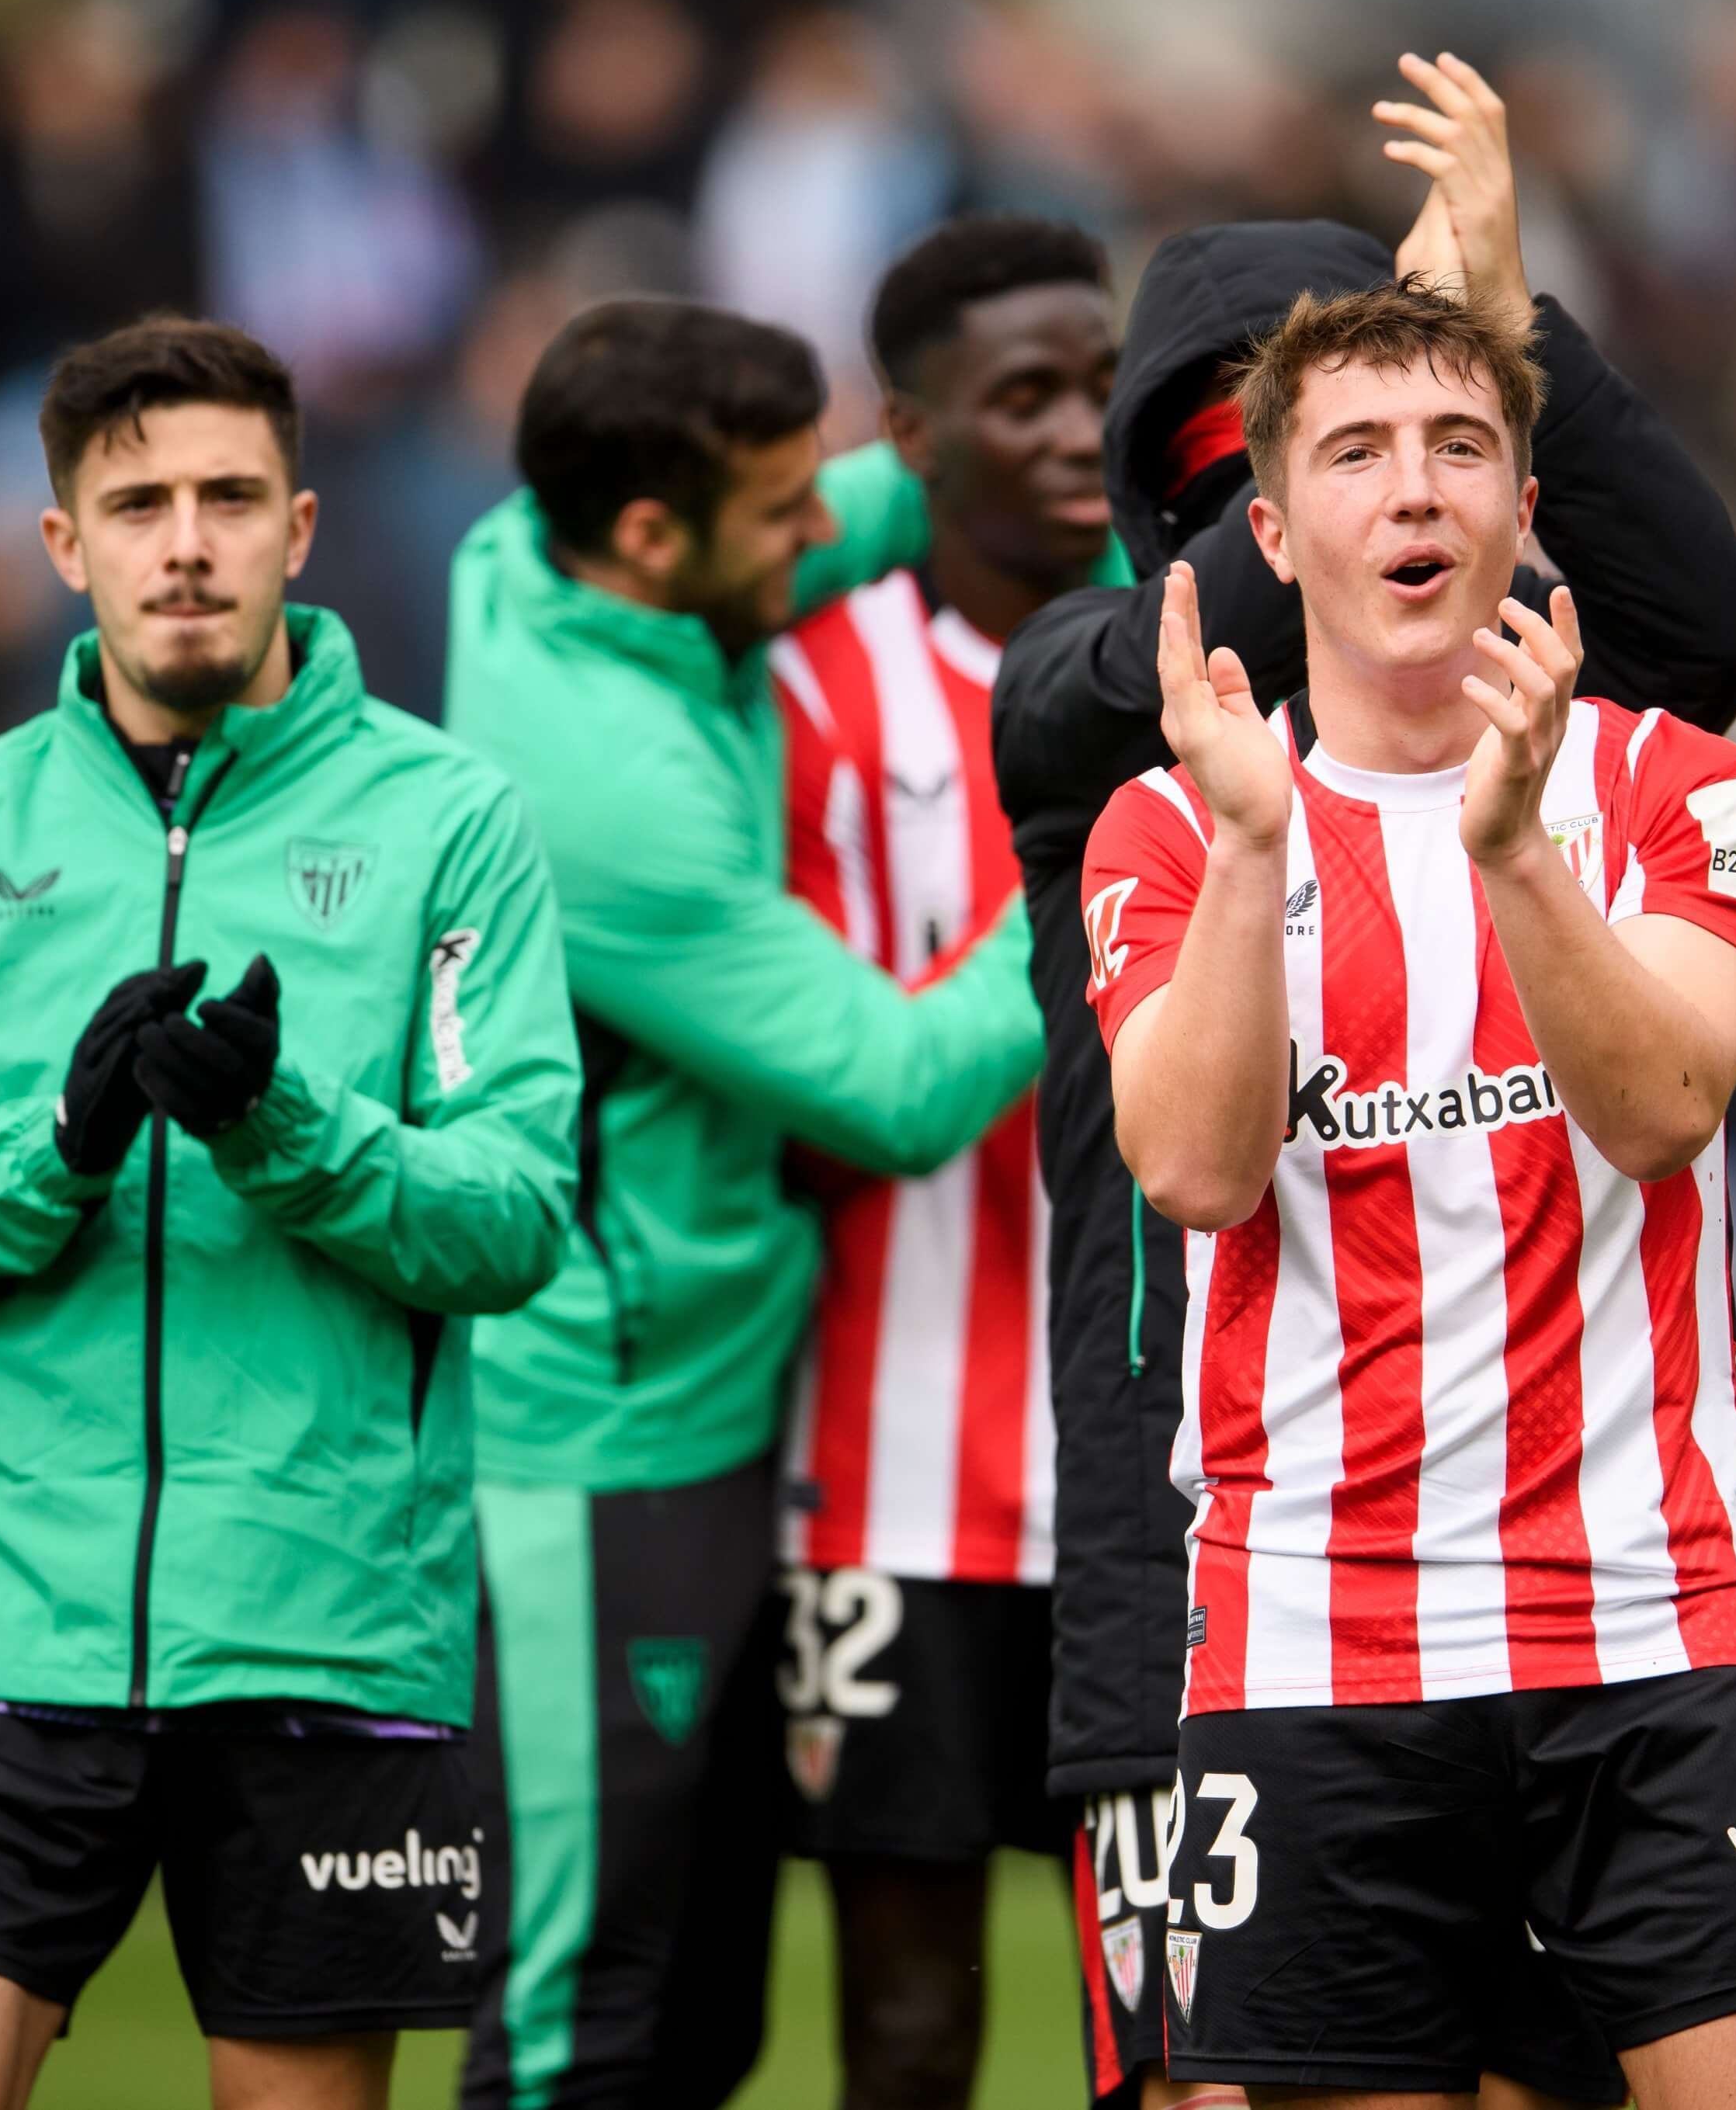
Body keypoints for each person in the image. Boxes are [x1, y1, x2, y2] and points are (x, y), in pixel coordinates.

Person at [989, 52, 1736, 2109]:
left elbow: (1706, 626)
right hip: (1204, 1524)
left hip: (1586, 1572)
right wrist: (1454, 393)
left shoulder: (1584, 755)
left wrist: (1499, 339)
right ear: (1222, 484)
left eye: (1452, 444)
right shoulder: (1092, 699)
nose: (1400, 494)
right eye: (1317, 442)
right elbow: (1283, 608)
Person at [0, 316, 583, 2110]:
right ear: (62, 547)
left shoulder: (448, 822)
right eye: (135, 503)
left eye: (230, 496)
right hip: (8, 1626)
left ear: (299, 529)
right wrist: (50, 1150)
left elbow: (516, 1209)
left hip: (325, 1623)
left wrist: (284, 1129)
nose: (187, 541)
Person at [443, 302, 1044, 2110]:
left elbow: (883, 498)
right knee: (575, 2014)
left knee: (699, 2016)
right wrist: (1107, 834)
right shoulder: (603, 798)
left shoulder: (557, 542)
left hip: (715, 1404)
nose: (823, 534)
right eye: (780, 514)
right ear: (649, 539)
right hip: (593, 1447)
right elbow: (905, 1087)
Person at [765, 214, 1119, 2110]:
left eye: (1102, 383)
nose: (1079, 431)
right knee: (904, 2028)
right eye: (1025, 396)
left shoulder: (1216, 658)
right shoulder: (809, 689)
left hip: (1166, 1478)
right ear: (910, 435)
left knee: (1171, 2018)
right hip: (882, 1473)